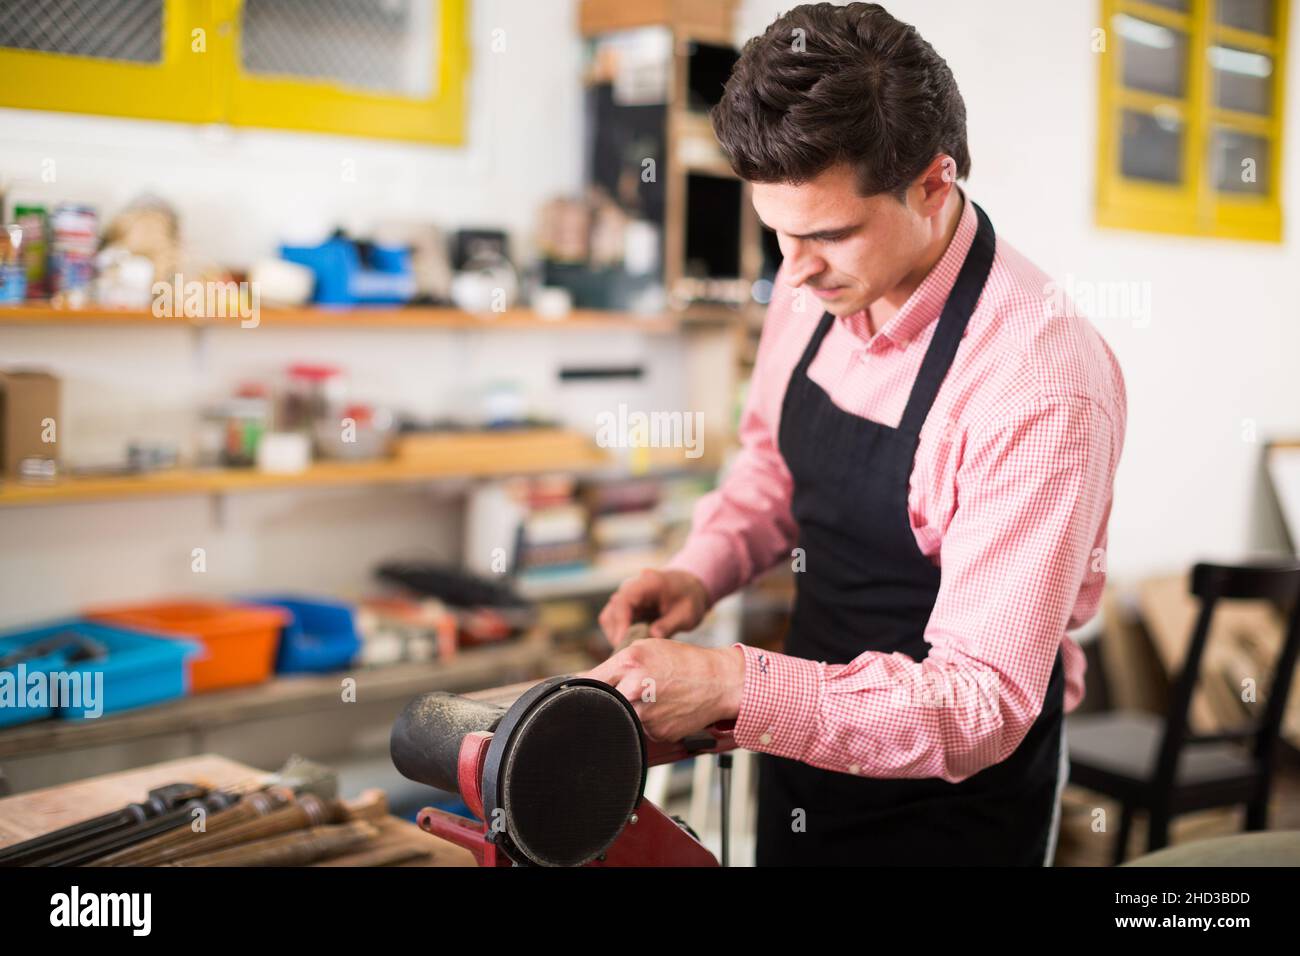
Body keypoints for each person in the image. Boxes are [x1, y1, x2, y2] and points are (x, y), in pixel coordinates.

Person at [585, 2, 1127, 866]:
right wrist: (702, 568)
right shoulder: (814, 286)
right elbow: (771, 465)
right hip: (805, 753)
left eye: (828, 234)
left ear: (933, 183)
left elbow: (979, 702)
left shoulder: (1038, 380)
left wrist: (734, 682)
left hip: (958, 809)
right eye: (777, 231)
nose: (794, 270)